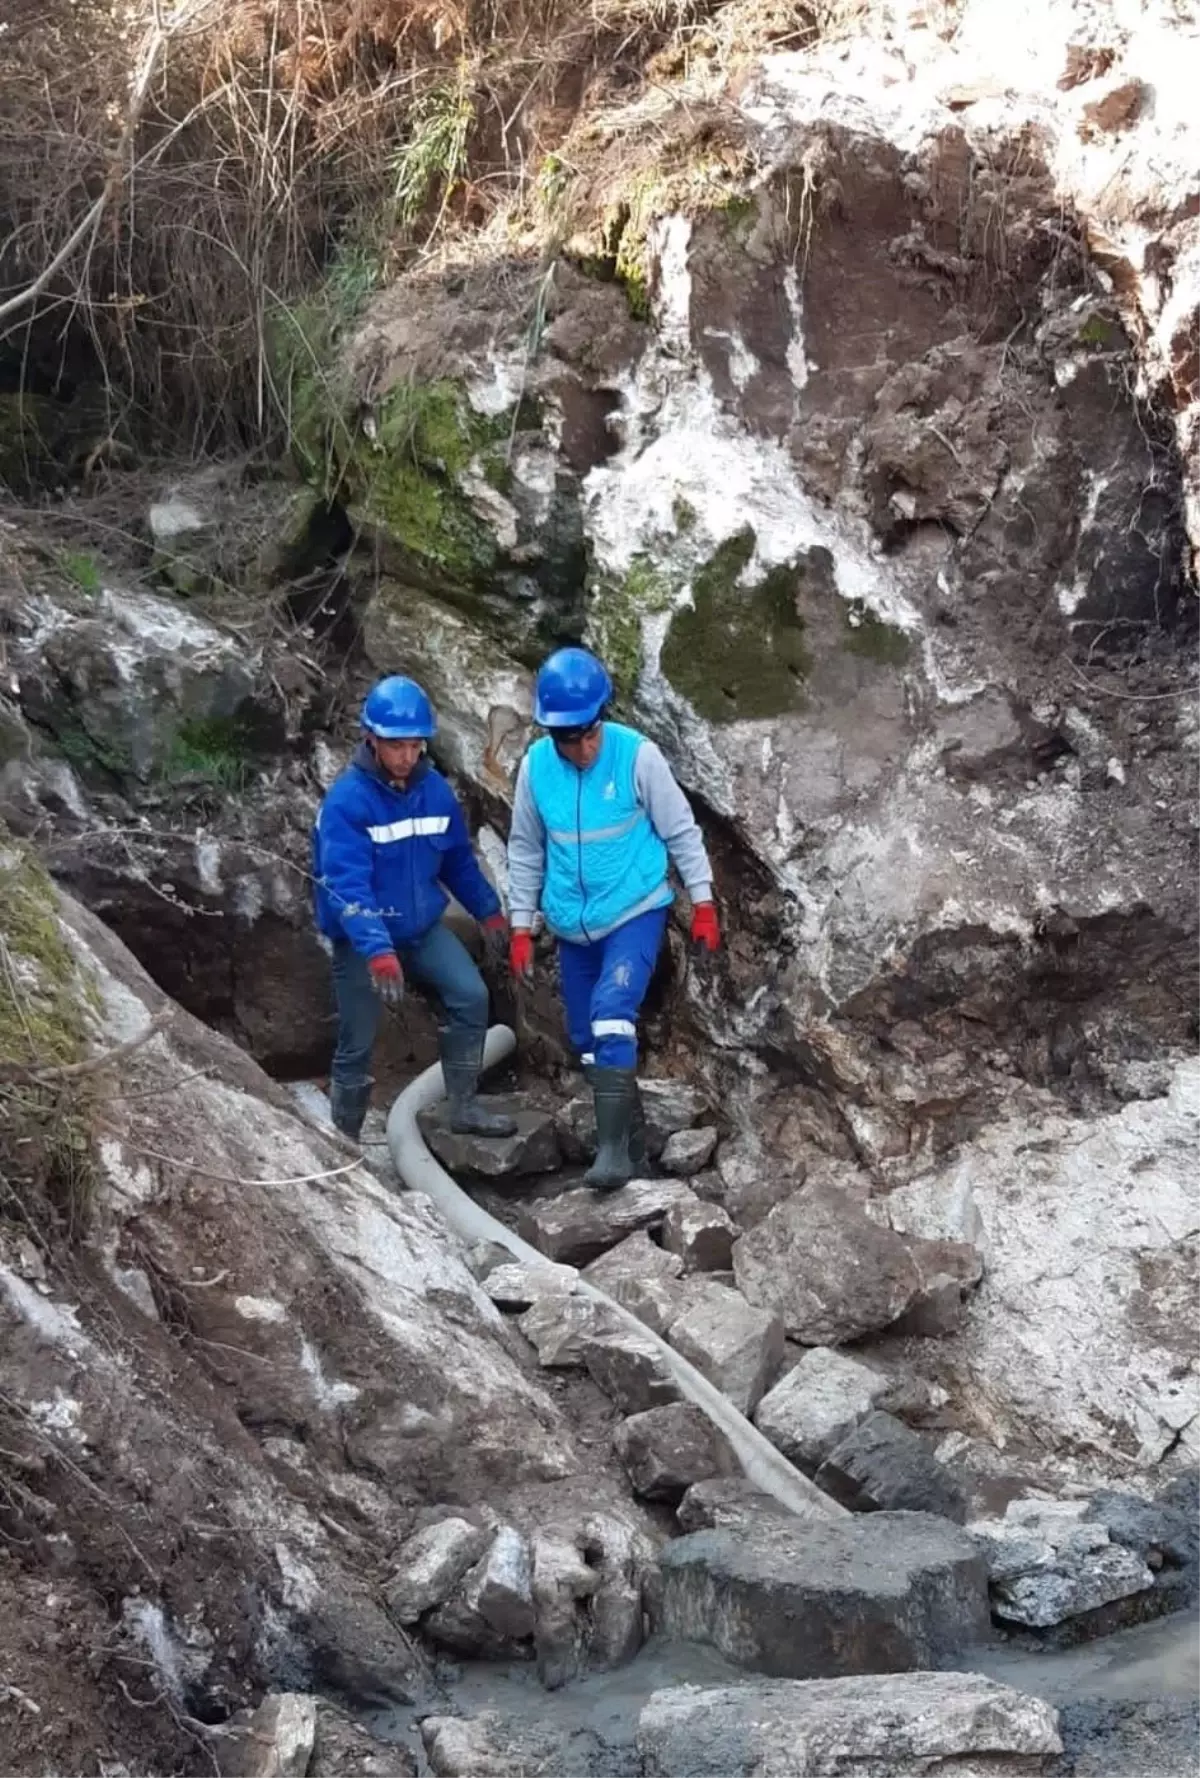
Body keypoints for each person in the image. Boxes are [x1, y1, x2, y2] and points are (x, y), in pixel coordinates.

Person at [506, 646, 720, 1191]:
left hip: (634, 911)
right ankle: (634, 1143)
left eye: (589, 733)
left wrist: (703, 903)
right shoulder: (535, 770)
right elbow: (526, 849)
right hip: (571, 927)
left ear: (603, 717)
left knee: (611, 1014)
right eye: (567, 738)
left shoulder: (636, 757)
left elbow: (680, 831)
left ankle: (612, 1157)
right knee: (584, 1038)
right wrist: (520, 925)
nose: (581, 747)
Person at [313, 674, 516, 1143]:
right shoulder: (347, 802)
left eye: (415, 745)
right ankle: (342, 1141)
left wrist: (487, 910)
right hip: (364, 943)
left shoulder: (436, 792)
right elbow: (346, 886)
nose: (407, 756)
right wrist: (377, 951)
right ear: (372, 739)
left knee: (472, 996)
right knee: (358, 1039)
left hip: (421, 930)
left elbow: (458, 862)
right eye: (396, 745)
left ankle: (463, 1105)